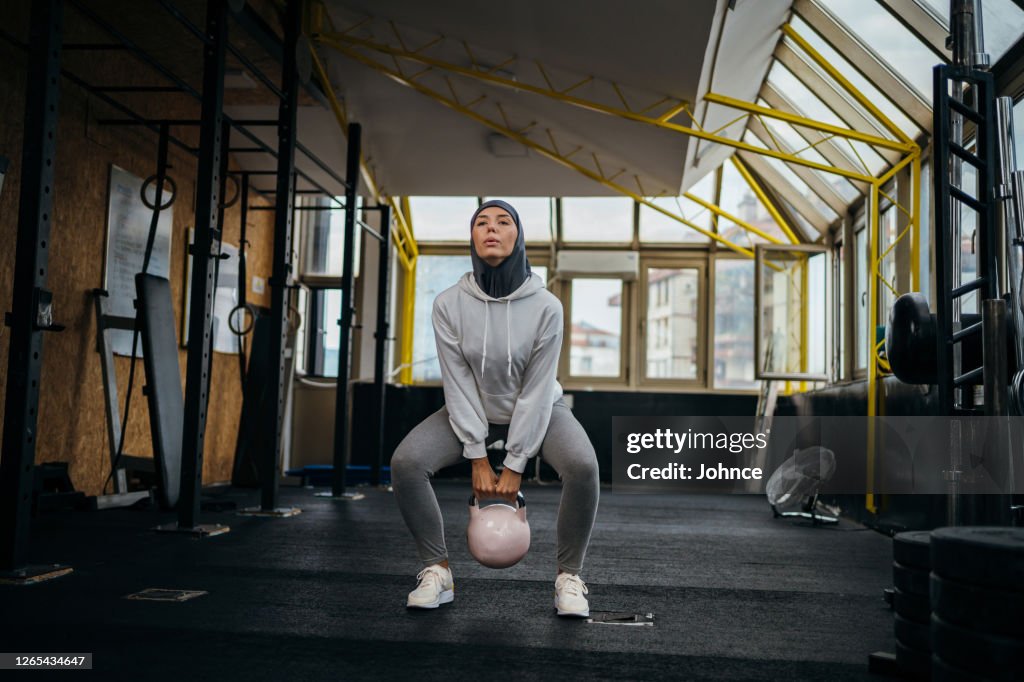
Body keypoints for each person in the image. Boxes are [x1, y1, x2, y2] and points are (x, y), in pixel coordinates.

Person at [390, 199, 600, 617]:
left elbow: (537, 390)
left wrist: (516, 462)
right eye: (482, 222)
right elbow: (458, 381)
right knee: (406, 462)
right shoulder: (448, 304)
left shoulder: (547, 307)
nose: (492, 229)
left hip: (542, 409)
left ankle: (569, 577)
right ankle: (437, 571)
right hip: (472, 411)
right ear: (471, 237)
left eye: (504, 222)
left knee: (584, 467)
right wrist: (477, 455)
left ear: (518, 235)